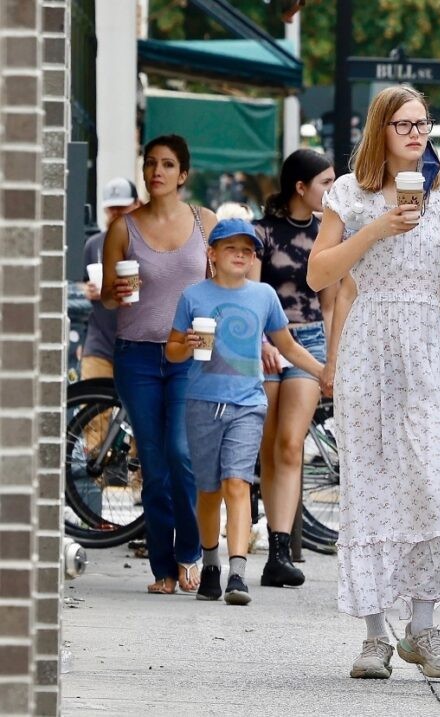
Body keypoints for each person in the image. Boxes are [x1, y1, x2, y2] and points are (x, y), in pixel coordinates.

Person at [307, 85, 440, 680]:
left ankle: (423, 627)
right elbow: (319, 271)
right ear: (381, 129)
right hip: (368, 339)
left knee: (431, 480)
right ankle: (375, 634)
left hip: (428, 341)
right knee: (370, 480)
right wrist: (378, 228)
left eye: (422, 123)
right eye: (403, 124)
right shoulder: (348, 194)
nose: (415, 133)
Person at [166, 218, 324, 605]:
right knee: (208, 491)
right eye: (231, 248)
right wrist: (186, 344)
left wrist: (324, 372)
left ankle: (237, 574)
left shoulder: (264, 295)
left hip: (248, 403)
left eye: (247, 250)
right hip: (202, 402)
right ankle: (211, 565)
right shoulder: (192, 297)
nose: (240, 255)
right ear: (212, 255)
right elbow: (171, 352)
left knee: (237, 483)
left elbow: (286, 345)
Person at [100, 134, 218, 594]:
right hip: (137, 355)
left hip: (190, 354)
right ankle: (163, 569)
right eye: (150, 164)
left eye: (168, 165)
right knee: (153, 462)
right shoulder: (122, 228)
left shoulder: (205, 222)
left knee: (182, 453)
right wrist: (116, 292)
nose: (157, 172)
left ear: (183, 174)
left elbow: (224, 282)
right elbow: (109, 297)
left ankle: (191, 552)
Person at [250, 148, 339, 588]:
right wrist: (262, 339)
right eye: (325, 182)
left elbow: (330, 301)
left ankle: (280, 550)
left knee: (290, 443)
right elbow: (249, 294)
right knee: (267, 444)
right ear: (300, 187)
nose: (332, 189)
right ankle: (271, 540)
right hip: (265, 343)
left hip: (307, 342)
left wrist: (332, 360)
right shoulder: (261, 233)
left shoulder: (328, 233)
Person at [81, 177, 142, 381]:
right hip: (99, 344)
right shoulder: (93, 244)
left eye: (122, 208)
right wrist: (87, 290)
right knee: (93, 410)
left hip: (138, 346)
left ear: (137, 205)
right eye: (111, 208)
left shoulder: (150, 246)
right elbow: (82, 284)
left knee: (136, 411)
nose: (116, 213)